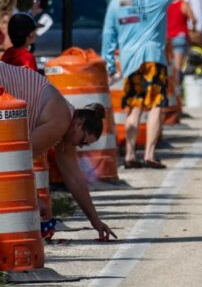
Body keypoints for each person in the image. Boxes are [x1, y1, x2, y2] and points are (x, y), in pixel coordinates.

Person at [102, 0, 202, 170]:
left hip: (130, 61)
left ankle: (131, 154)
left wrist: (110, 65)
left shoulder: (118, 0)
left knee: (134, 109)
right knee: (155, 108)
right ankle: (150, 154)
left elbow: (108, 35)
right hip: (152, 57)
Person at [0, 62, 116, 240]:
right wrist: (35, 198)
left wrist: (95, 221)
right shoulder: (61, 121)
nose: (79, 146)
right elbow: (18, 159)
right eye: (83, 141)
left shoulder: (65, 119)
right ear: (79, 123)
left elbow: (76, 180)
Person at [166, 0, 192, 91]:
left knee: (170, 67)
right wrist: (194, 28)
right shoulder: (183, 3)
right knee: (178, 68)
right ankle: (177, 91)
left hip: (168, 37)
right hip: (180, 36)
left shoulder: (166, 4)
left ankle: (172, 90)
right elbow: (193, 19)